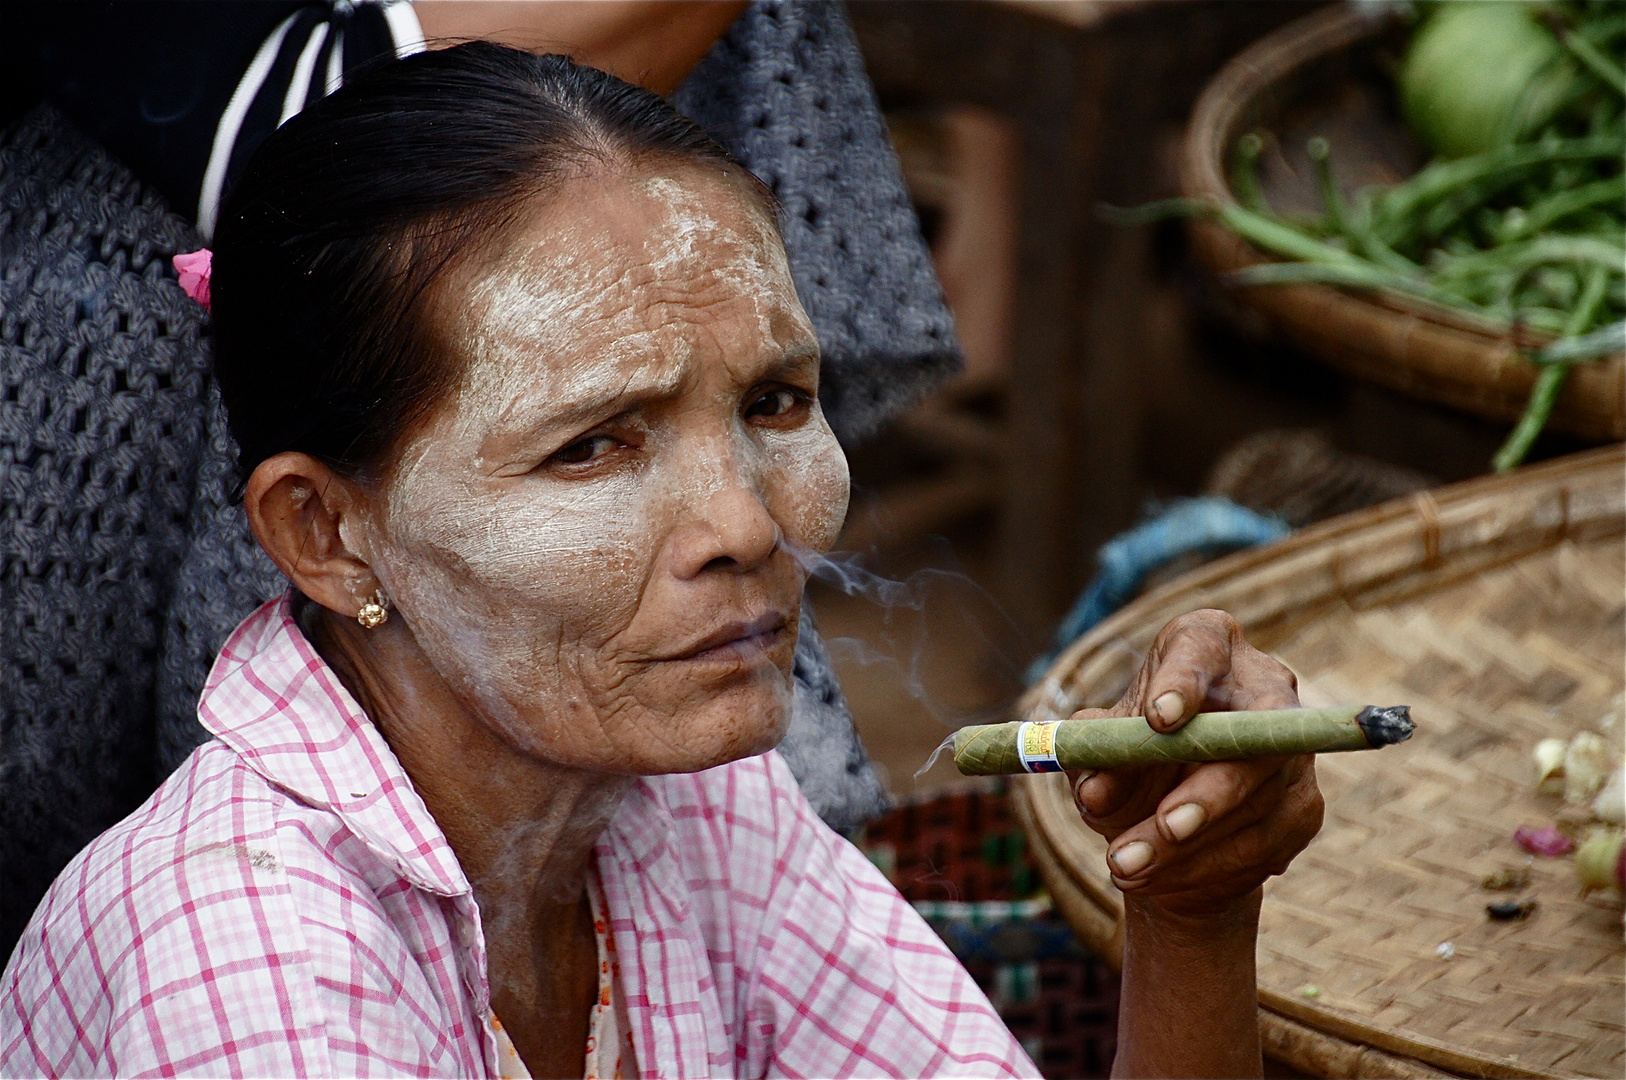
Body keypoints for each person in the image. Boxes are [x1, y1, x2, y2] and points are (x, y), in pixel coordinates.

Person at [0, 45, 1321, 1079]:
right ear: (325, 533)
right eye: (591, 446)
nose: (745, 525)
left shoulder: (677, 795)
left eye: (775, 403)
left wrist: (1193, 914)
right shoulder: (255, 971)